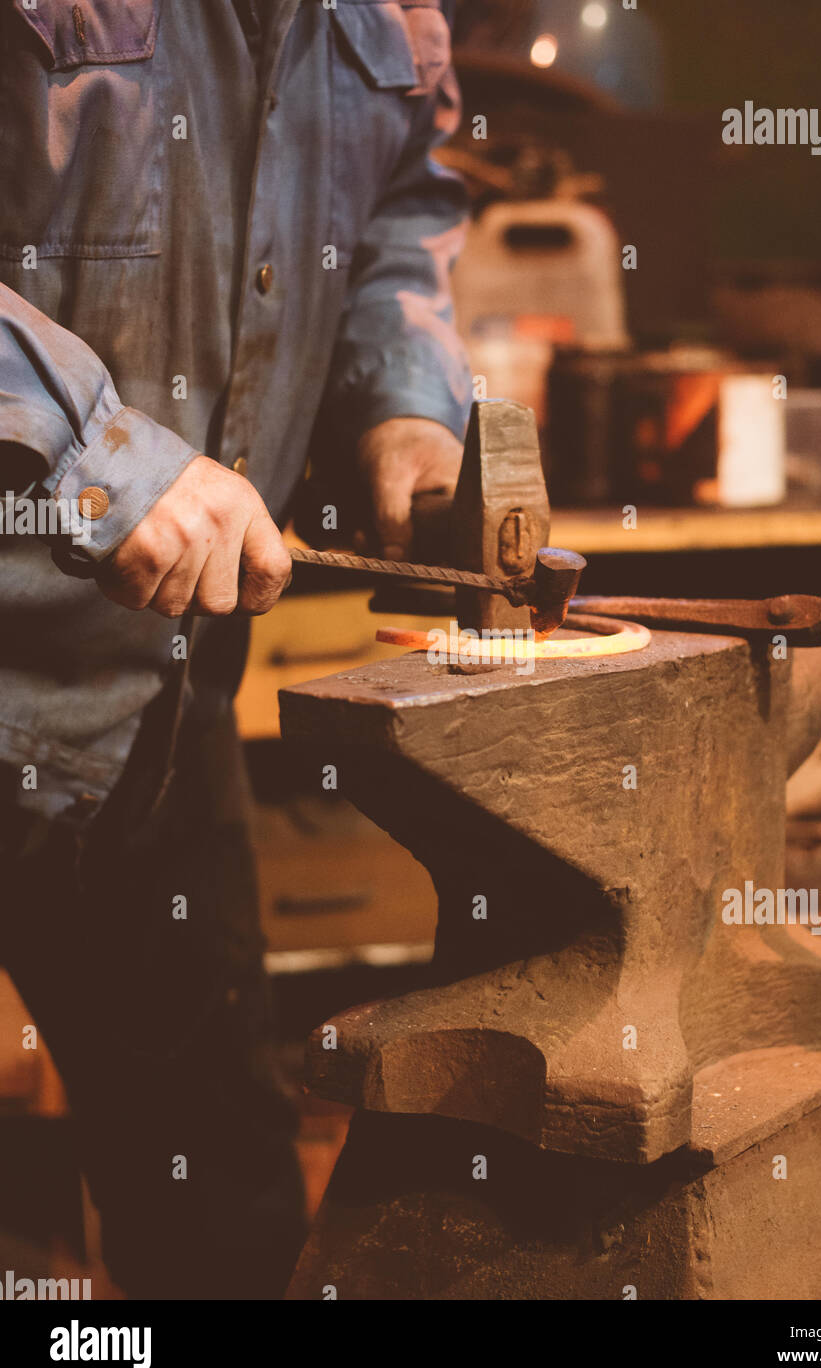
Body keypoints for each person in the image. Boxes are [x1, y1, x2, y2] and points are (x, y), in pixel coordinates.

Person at [0, 0, 471, 1298]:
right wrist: (91, 447)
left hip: (149, 723)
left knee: (221, 1210)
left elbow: (399, 208)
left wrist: (403, 400)